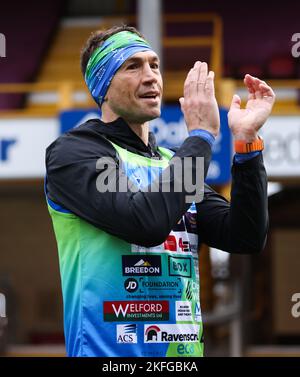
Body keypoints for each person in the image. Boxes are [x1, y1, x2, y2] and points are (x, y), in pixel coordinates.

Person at [45, 25, 275, 357]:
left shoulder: (172, 162)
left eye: (154, 64)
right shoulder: (74, 153)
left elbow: (245, 236)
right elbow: (145, 223)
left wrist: (247, 144)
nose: (151, 76)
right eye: (132, 66)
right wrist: (200, 136)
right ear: (103, 85)